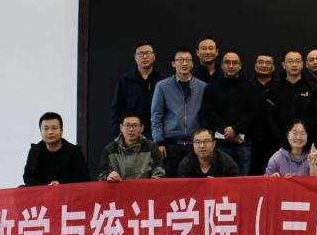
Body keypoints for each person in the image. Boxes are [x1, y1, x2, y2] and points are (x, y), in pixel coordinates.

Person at [151, 47, 208, 177]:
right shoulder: (162, 86)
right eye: (180, 60)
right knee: (169, 182)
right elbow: (156, 115)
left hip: (194, 144)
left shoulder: (202, 87)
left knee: (194, 183)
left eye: (188, 60)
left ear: (192, 63)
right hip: (170, 144)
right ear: (173, 63)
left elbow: (205, 116)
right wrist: (158, 142)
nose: (184, 63)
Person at [205, 50, 259, 175]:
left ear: (240, 66)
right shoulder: (212, 87)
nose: (231, 66)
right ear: (222, 65)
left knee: (243, 181)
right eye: (227, 62)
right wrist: (227, 131)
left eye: (235, 63)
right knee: (220, 181)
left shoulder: (250, 87)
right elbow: (210, 113)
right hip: (220, 143)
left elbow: (253, 113)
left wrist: (235, 129)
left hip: (243, 143)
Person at [109, 42, 162, 141]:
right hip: (131, 134)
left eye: (148, 53)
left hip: (155, 136)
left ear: (154, 56)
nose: (144, 57)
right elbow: (116, 108)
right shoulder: (125, 80)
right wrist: (117, 133)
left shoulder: (162, 81)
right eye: (140, 54)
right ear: (135, 57)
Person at [23, 112, 89, 185]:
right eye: (46, 129)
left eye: (54, 128)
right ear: (40, 131)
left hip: (66, 190)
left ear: (61, 131)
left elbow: (84, 178)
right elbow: (27, 177)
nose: (50, 132)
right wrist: (44, 187)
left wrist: (60, 184)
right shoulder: (35, 151)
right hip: (41, 190)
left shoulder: (74, 152)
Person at [269, 49, 317, 139]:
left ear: (302, 64)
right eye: (290, 61)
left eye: (297, 61)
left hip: (305, 138)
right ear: (283, 65)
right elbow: (270, 116)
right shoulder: (274, 88)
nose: (294, 64)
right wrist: (281, 136)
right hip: (279, 140)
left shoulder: (312, 87)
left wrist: (303, 134)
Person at [98, 113, 165, 181]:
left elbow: (159, 174)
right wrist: (108, 176)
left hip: (144, 188)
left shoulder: (151, 147)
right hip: (118, 188)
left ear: (142, 128)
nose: (131, 129)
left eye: (135, 125)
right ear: (121, 127)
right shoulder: (109, 150)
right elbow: (101, 176)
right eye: (127, 125)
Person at [250, 52, 279, 175]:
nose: (264, 65)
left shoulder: (279, 86)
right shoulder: (247, 85)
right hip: (251, 141)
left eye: (268, 63)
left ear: (273, 67)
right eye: (261, 62)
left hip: (275, 141)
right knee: (252, 176)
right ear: (255, 65)